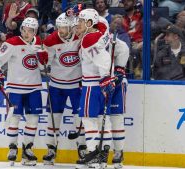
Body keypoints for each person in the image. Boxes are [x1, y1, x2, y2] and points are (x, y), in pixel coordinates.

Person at [0, 17, 43, 166]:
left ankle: (28, 148)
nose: (27, 33)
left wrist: (44, 59)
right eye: (25, 30)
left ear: (35, 31)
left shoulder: (39, 43)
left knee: (33, 118)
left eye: (30, 30)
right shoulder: (11, 43)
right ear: (21, 29)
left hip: (34, 87)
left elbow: (44, 67)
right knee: (14, 118)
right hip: (15, 87)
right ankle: (12, 147)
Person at [39, 13, 86, 165]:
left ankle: (82, 148)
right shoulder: (51, 40)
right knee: (54, 117)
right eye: (59, 27)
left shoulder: (81, 37)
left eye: (64, 27)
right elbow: (43, 65)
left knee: (80, 117)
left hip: (76, 84)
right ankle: (51, 148)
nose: (61, 30)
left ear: (72, 27)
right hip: (56, 85)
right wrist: (43, 58)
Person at [75, 9, 114, 169]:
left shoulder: (89, 38)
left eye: (81, 22)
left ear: (90, 23)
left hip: (92, 85)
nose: (78, 25)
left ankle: (92, 153)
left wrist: (105, 76)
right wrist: (108, 78)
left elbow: (102, 58)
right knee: (100, 119)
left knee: (88, 118)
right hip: (100, 84)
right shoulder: (101, 34)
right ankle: (103, 155)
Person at [108, 31, 130, 169]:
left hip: (116, 84)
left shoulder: (119, 45)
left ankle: (118, 152)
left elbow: (119, 71)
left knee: (116, 117)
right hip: (97, 84)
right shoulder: (90, 42)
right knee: (96, 119)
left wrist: (116, 75)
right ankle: (99, 151)